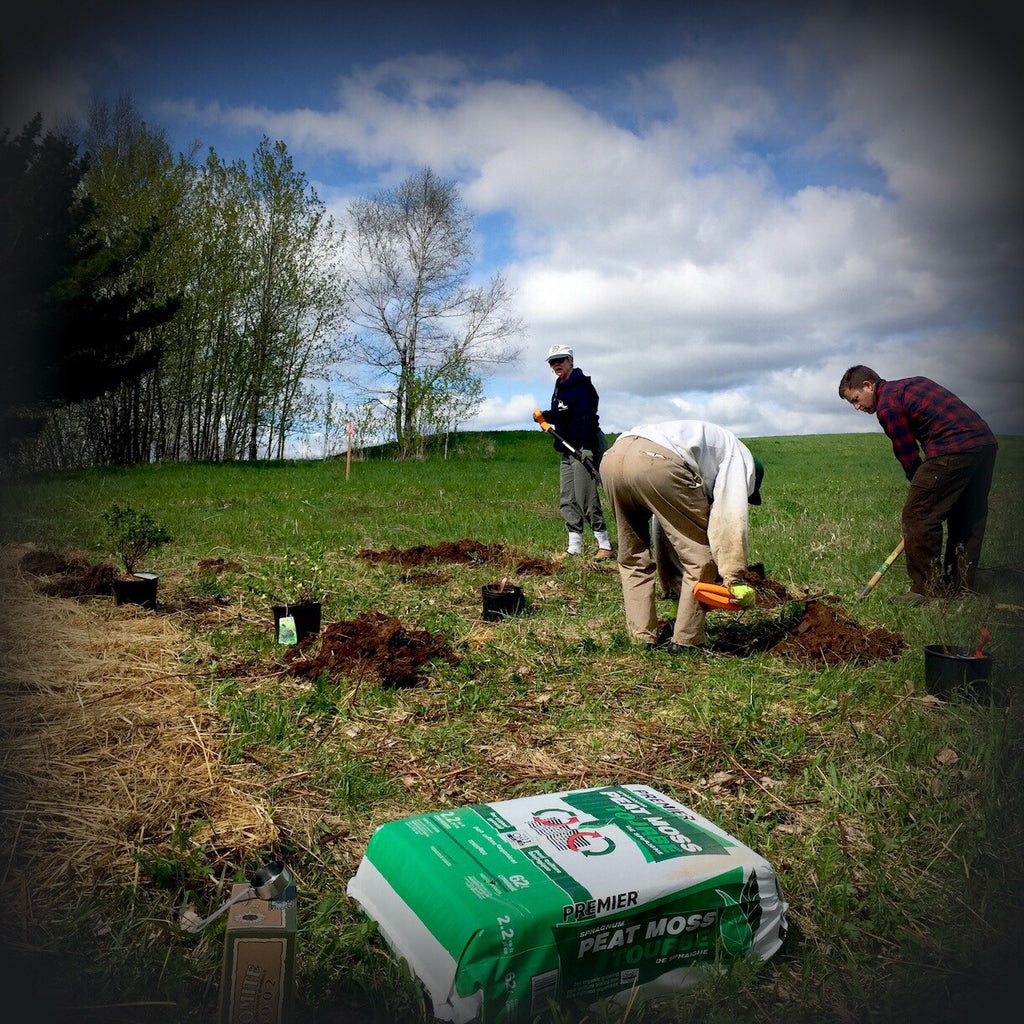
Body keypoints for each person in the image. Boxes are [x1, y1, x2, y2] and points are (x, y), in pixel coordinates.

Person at [838, 366, 998, 604]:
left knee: (918, 515)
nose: (857, 407)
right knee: (967, 518)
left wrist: (923, 489)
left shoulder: (888, 405)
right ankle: (961, 589)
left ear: (868, 385)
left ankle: (928, 591)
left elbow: (907, 453)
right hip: (984, 444)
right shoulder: (911, 384)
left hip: (952, 448)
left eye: (856, 399)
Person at [599, 420, 764, 651]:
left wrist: (672, 584)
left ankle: (641, 638)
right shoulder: (741, 459)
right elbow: (730, 516)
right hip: (656, 462)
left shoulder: (705, 449)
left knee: (632, 556)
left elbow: (667, 524)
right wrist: (733, 576)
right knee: (701, 557)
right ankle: (687, 641)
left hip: (613, 459)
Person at [535, 344, 614, 559]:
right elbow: (563, 414)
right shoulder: (559, 386)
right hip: (566, 449)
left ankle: (605, 546)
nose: (556, 365)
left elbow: (588, 418)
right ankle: (574, 547)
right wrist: (544, 416)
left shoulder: (583, 386)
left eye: (560, 360)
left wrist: (587, 447)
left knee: (585, 496)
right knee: (567, 498)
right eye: (552, 362)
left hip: (584, 447)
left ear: (571, 360)